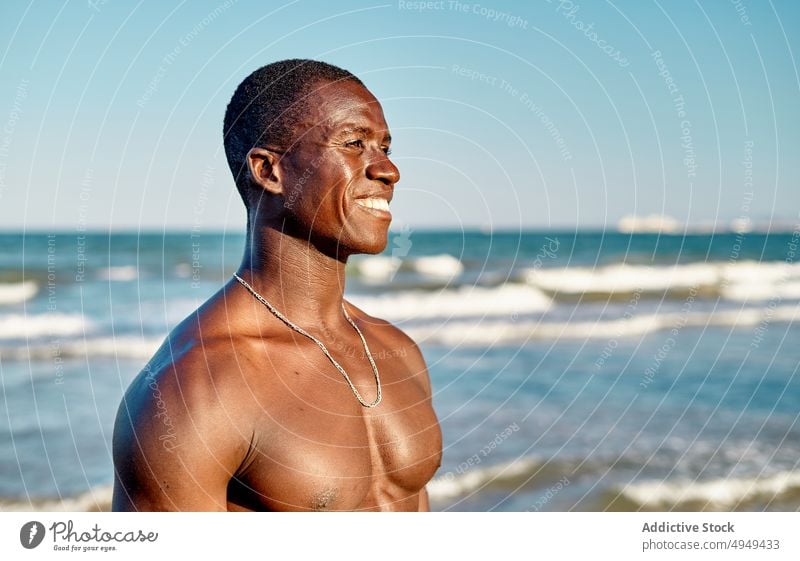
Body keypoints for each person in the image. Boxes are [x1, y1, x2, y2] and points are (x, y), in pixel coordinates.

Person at [112, 59, 442, 511]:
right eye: (354, 143)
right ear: (269, 170)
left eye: (385, 146)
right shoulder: (193, 389)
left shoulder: (396, 350)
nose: (388, 170)